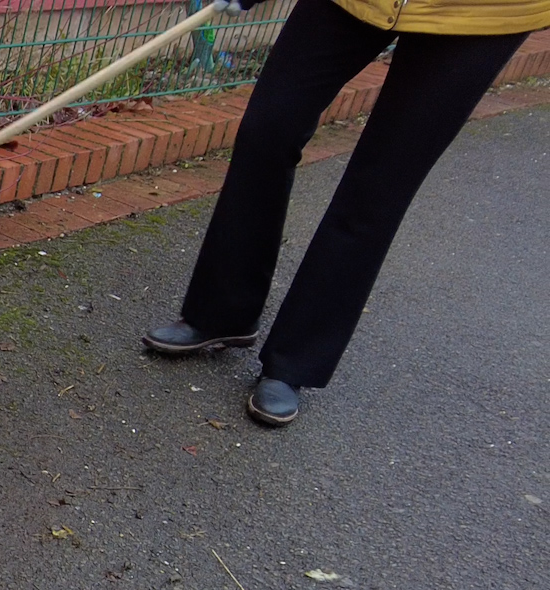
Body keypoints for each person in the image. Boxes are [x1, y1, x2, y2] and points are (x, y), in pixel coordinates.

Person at [143, 0, 547, 426]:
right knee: (268, 128)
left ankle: (292, 365)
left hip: (481, 15)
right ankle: (222, 312)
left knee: (379, 187)